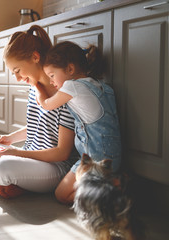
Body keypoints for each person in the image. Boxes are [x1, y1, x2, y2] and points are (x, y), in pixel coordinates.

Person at [0, 25, 79, 199]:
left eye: (18, 71)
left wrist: (16, 153)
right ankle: (17, 182)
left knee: (4, 167)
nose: (18, 78)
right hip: (30, 158)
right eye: (14, 73)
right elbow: (37, 126)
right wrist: (11, 139)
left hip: (54, 167)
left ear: (35, 57)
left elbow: (62, 152)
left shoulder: (63, 92)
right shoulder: (34, 88)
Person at [35, 41, 122, 203]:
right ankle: (108, 183)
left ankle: (109, 186)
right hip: (114, 158)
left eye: (52, 76)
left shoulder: (71, 86)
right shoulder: (102, 87)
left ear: (70, 69)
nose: (52, 82)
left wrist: (38, 90)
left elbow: (46, 105)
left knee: (61, 194)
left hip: (94, 160)